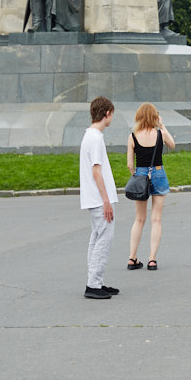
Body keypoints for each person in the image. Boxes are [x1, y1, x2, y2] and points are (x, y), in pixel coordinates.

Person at [126, 102, 176, 272]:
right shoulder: (160, 134)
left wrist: (137, 175)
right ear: (155, 116)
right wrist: (162, 125)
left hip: (140, 175)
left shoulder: (132, 136)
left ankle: (132, 258)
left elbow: (129, 165)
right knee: (156, 219)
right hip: (158, 173)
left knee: (139, 219)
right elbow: (173, 145)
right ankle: (152, 260)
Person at [80, 96, 119, 299]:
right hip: (98, 199)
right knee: (104, 238)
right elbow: (97, 171)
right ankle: (93, 284)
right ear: (107, 113)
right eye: (112, 114)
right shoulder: (95, 138)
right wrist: (106, 201)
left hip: (94, 198)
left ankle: (96, 281)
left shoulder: (90, 136)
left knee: (96, 238)